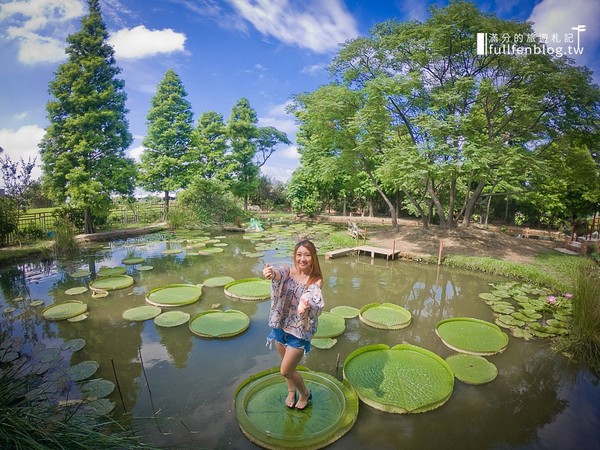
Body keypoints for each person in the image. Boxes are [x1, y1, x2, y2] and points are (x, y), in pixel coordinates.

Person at [262, 239, 324, 410]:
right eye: (299, 254)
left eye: (307, 255)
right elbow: (278, 273)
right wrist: (270, 272)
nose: (302, 259)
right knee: (285, 364)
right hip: (280, 326)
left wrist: (305, 302)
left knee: (286, 370)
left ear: (313, 257)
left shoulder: (316, 279)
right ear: (294, 256)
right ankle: (291, 390)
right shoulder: (288, 271)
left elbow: (313, 293)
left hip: (298, 331)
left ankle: (304, 393)